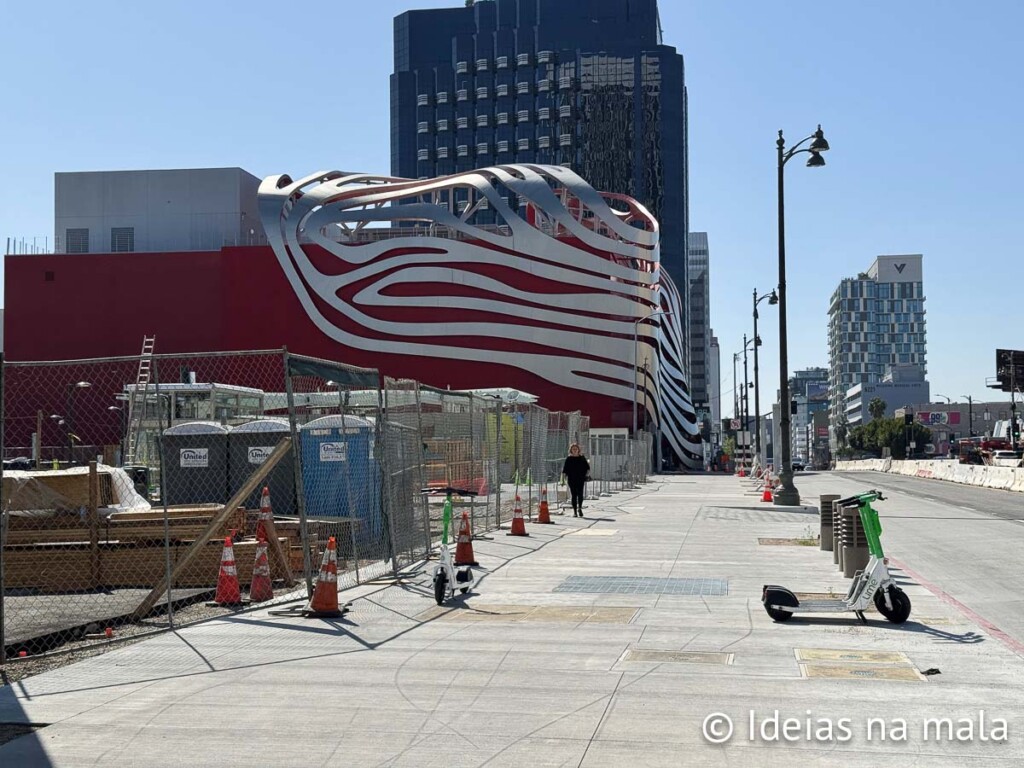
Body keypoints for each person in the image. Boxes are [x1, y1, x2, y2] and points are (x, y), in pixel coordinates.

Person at [561, 442, 590, 517]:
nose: (574, 450)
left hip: (580, 478)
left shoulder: (582, 458)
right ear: (571, 450)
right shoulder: (569, 459)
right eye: (573, 449)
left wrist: (586, 475)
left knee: (580, 494)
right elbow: (565, 469)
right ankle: (575, 511)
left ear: (578, 450)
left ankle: (579, 508)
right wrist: (564, 478)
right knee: (574, 495)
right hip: (571, 478)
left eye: (576, 449)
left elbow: (587, 468)